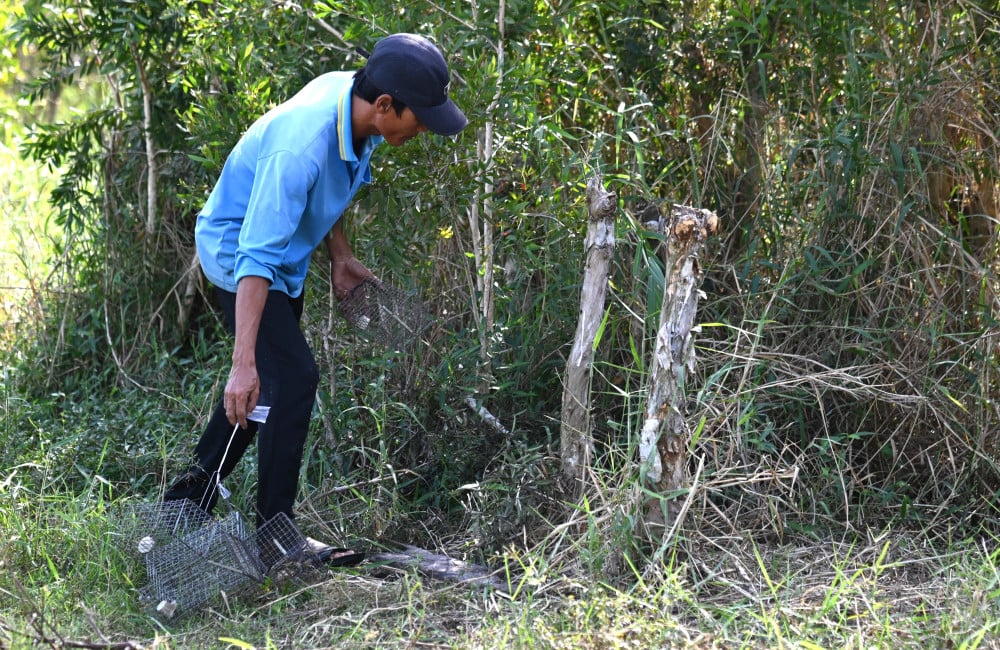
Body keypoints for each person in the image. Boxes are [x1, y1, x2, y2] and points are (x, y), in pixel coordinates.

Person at [164, 33, 467, 561]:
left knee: (270, 386)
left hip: (282, 257)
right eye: (419, 117)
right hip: (241, 256)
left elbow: (333, 180)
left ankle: (182, 508)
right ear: (386, 106)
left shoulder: (354, 106)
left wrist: (340, 255)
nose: (422, 128)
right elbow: (255, 255)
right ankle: (275, 537)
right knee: (288, 377)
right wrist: (241, 362)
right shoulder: (299, 146)